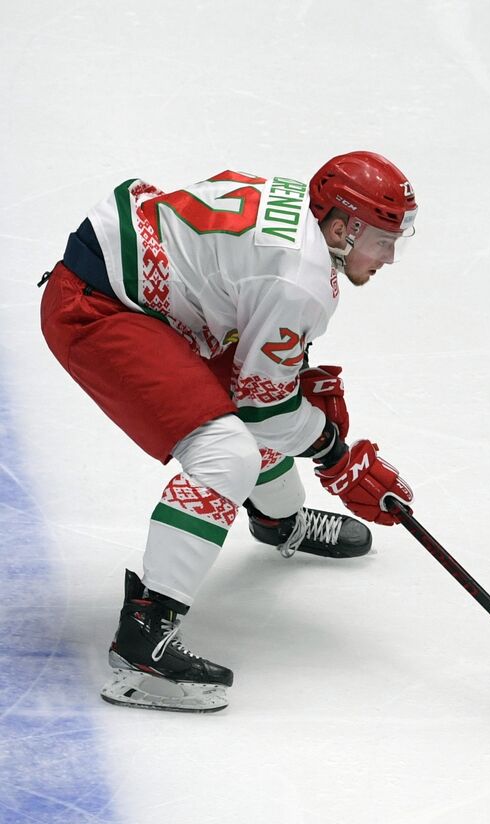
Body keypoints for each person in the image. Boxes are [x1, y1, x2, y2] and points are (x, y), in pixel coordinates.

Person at [39, 152, 418, 712]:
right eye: (383, 240)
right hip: (100, 308)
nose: (390, 257)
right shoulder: (305, 280)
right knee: (227, 452)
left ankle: (277, 518)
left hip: (148, 293)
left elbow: (253, 359)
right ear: (341, 228)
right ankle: (143, 643)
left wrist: (287, 380)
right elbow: (264, 412)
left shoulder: (297, 220)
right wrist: (335, 456)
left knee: (257, 428)